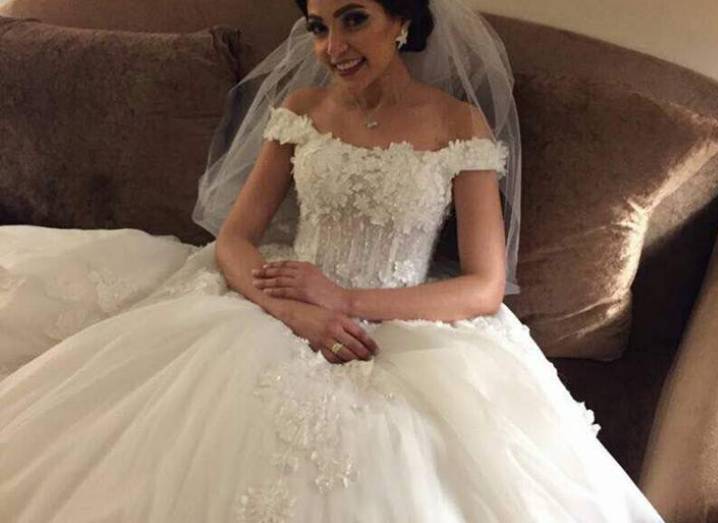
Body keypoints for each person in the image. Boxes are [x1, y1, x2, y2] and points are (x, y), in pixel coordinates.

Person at [0, 0, 666, 521]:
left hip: (405, 319)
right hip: (278, 303)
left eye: (354, 19)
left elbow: (484, 284)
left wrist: (343, 301)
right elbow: (234, 240)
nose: (332, 47)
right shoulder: (302, 109)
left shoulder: (458, 125)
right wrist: (292, 309)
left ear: (401, 22)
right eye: (318, 27)